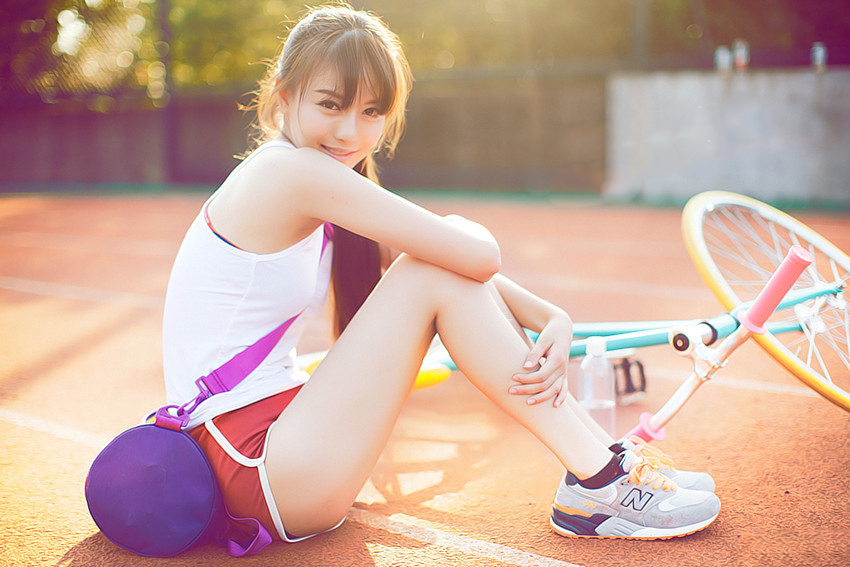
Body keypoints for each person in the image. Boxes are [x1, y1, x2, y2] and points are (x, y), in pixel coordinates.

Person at [161, 3, 720, 545]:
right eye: (330, 105)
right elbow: (474, 258)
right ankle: (599, 481)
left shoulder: (315, 182)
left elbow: (449, 267)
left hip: (283, 453)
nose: (350, 132)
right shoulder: (288, 173)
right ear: (285, 96)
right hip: (252, 465)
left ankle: (602, 468)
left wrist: (552, 315)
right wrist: (469, 239)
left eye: (372, 112)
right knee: (438, 257)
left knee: (432, 265)